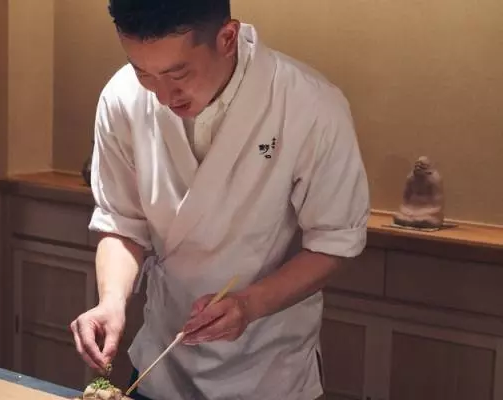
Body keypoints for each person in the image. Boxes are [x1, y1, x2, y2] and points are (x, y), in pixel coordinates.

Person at [71, 1, 370, 399]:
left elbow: (334, 243)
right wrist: (111, 301)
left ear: (227, 38)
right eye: (143, 72)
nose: (163, 96)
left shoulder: (308, 104)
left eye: (179, 74)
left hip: (268, 369)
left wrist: (250, 305)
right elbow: (121, 222)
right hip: (164, 358)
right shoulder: (122, 97)